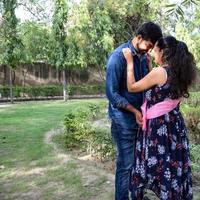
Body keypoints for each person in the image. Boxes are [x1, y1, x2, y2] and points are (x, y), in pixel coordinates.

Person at [123, 36, 196, 200]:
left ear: (163, 52)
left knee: (158, 164)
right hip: (174, 125)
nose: (153, 53)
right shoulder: (179, 73)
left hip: (159, 128)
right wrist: (150, 66)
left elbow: (132, 87)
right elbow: (161, 89)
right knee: (170, 163)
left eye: (155, 50)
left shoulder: (159, 72)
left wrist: (129, 63)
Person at [105, 22, 162, 200]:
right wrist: (133, 110)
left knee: (138, 164)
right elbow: (112, 94)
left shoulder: (143, 58)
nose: (149, 50)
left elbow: (144, 87)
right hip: (123, 121)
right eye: (149, 46)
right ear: (138, 38)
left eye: (152, 48)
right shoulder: (118, 57)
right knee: (126, 165)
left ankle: (136, 195)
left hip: (140, 120)